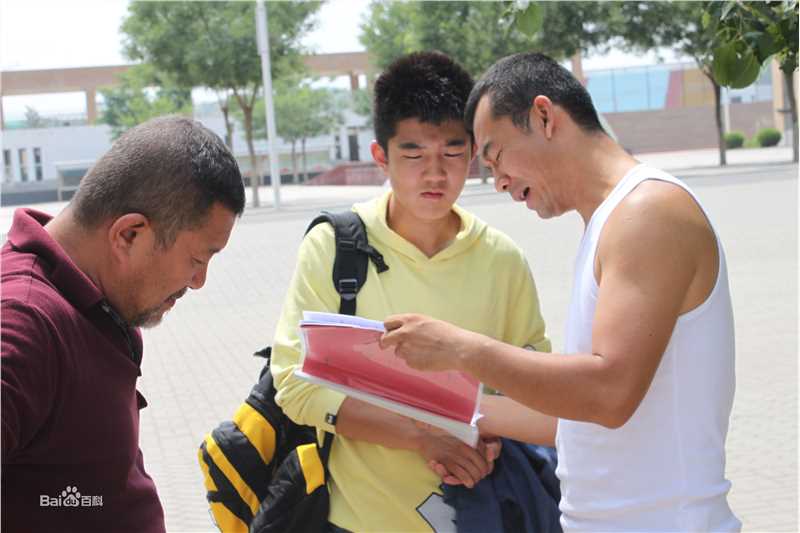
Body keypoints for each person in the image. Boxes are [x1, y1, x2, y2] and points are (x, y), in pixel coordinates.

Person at [382, 52, 740, 531]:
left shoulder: (648, 211)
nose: (499, 182)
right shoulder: (610, 221)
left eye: (494, 155)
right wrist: (456, 412)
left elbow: (608, 393)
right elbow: (575, 419)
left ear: (545, 116)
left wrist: (461, 349)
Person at [269, 51, 551, 533]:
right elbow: (294, 385)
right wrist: (423, 438)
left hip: (477, 516)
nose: (435, 174)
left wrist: (492, 438)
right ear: (381, 156)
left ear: (476, 152)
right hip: (359, 520)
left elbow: (537, 389)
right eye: (414, 153)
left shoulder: (502, 260)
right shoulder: (335, 247)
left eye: (452, 152)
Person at [1, 116, 245, 533]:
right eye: (198, 259)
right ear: (129, 234)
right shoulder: (23, 324)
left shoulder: (94, 301)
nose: (199, 282)